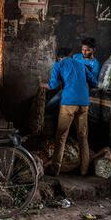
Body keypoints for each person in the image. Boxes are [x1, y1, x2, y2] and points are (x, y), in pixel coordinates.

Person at [40, 48, 98, 176]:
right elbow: (94, 82)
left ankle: (55, 170)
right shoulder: (81, 64)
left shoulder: (59, 64)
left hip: (69, 104)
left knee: (61, 136)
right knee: (83, 137)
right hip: (84, 103)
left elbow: (52, 85)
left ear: (59, 57)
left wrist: (42, 85)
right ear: (69, 55)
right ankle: (84, 170)